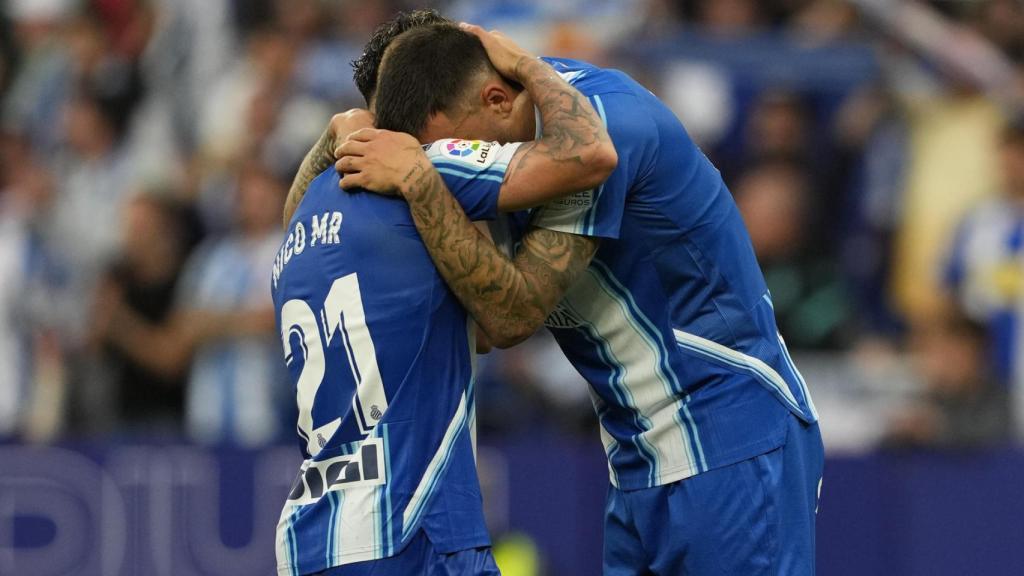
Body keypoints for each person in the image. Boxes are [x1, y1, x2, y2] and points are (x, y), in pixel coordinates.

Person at [320, 20, 823, 575]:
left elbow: (510, 314)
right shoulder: (502, 137)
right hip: (639, 454)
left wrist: (420, 181)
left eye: (461, 150)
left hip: (728, 431)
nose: (459, 166)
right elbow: (481, 314)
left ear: (498, 97)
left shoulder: (604, 125)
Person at [272, 28, 615, 574]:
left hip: (311, 538)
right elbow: (589, 154)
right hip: (413, 529)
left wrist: (333, 133)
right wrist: (526, 66)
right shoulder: (424, 164)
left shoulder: (310, 211)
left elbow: (289, 218)